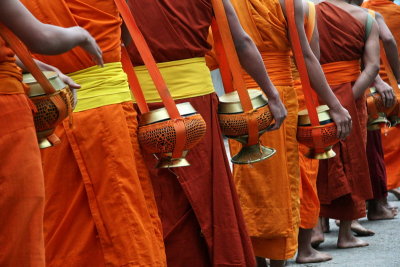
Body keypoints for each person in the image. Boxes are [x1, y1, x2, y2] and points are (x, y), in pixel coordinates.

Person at [125, 0, 287, 266]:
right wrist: (271, 93)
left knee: (158, 198)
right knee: (208, 191)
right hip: (197, 105)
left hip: (142, 107)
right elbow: (242, 42)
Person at [20, 0, 167, 266]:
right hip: (109, 117)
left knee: (60, 222)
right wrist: (83, 35)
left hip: (47, 117)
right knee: (126, 220)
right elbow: (127, 36)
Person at [227, 0, 352, 266]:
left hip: (239, 100)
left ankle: (257, 258)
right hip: (280, 95)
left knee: (250, 182)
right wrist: (334, 104)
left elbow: (216, 51)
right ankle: (281, 258)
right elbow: (308, 57)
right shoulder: (294, 4)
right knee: (281, 184)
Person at [0, 0, 101, 266]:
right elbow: (43, 38)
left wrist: (30, 65)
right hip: (5, 113)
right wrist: (82, 34)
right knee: (16, 226)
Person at [315, 0, 379, 249]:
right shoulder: (366, 18)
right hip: (352, 93)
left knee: (319, 155)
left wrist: (329, 100)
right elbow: (372, 66)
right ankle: (345, 235)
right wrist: (347, 100)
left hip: (317, 92)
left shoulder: (311, 11)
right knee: (353, 159)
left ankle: (318, 226)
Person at [294, 0, 333, 264]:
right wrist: (334, 103)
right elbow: (312, 58)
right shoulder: (305, 7)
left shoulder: (238, 7)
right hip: (298, 96)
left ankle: (265, 253)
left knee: (260, 178)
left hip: (253, 99)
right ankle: (305, 248)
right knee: (305, 175)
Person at [362, 0, 400, 201]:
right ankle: (387, 184)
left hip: (360, 79)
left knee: (373, 138)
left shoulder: (364, 9)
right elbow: (390, 40)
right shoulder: (393, 13)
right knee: (390, 134)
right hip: (386, 78)